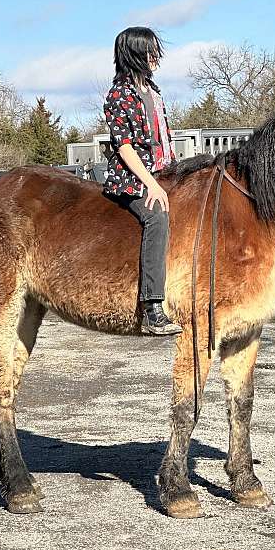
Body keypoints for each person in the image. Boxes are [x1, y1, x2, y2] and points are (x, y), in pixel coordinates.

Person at [103, 26, 182, 336]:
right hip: (132, 178)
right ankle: (152, 308)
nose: (156, 58)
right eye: (151, 52)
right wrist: (151, 183)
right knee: (157, 217)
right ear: (136, 54)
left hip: (163, 170)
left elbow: (163, 139)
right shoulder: (118, 94)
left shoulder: (154, 91)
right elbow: (124, 147)